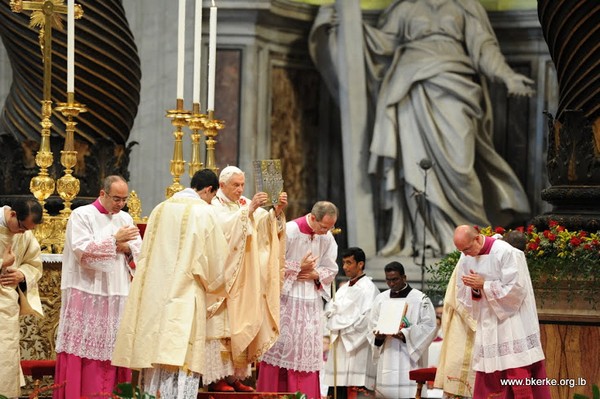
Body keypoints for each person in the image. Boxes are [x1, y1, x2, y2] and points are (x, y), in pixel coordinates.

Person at [310, 0, 534, 256]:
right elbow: (380, 45)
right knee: (416, 170)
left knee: (461, 168)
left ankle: (469, 240)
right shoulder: (405, 8)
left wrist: (508, 76)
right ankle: (426, 239)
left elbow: (484, 48)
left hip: (454, 86)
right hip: (410, 89)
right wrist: (344, 28)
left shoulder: (465, 6)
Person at [112, 169, 229, 398]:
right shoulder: (204, 212)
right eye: (212, 196)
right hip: (185, 296)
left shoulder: (160, 208)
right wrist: (218, 287)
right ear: (208, 190)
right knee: (179, 357)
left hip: (153, 296)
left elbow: (144, 254)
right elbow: (216, 262)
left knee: (155, 357)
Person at [54, 175, 142, 399]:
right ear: (102, 194)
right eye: (116, 199)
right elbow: (82, 252)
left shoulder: (125, 218)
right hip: (87, 289)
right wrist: (115, 241)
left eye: (123, 199)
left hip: (118, 289)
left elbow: (138, 252)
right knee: (85, 348)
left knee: (113, 347)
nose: (120, 204)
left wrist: (127, 248)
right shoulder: (81, 215)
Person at [205, 165, 287, 392]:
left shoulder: (244, 203)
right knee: (221, 328)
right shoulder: (213, 205)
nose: (240, 189)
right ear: (221, 186)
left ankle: (232, 376)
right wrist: (248, 210)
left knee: (238, 326)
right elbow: (222, 230)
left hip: (244, 278)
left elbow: (264, 227)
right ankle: (216, 377)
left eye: (242, 185)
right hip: (223, 277)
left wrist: (276, 212)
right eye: (235, 185)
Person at [453, 225, 551, 399]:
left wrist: (484, 284)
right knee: (489, 370)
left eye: (467, 249)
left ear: (477, 238)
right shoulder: (465, 257)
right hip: (487, 321)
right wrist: (474, 288)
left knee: (516, 366)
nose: (466, 254)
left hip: (512, 321)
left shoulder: (507, 252)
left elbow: (516, 290)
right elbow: (462, 289)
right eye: (462, 251)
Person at [257, 201, 340, 399]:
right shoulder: (290, 231)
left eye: (329, 227)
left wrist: (315, 275)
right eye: (323, 226)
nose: (326, 231)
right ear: (312, 218)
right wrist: (297, 267)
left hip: (310, 302)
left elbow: (331, 268)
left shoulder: (326, 237)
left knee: (306, 353)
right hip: (287, 300)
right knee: (282, 349)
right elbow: (269, 264)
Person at [368, 261, 437, 399]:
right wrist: (378, 338)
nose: (391, 284)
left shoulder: (420, 299)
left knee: (409, 392)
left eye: (395, 279)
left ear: (404, 278)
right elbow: (372, 325)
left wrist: (405, 334)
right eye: (388, 280)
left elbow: (430, 326)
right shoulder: (380, 299)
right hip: (387, 355)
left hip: (409, 358)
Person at [323, 247, 380, 399]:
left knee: (355, 389)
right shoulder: (343, 289)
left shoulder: (369, 289)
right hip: (340, 344)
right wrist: (332, 314)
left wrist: (343, 329)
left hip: (356, 346)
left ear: (360, 264)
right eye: (344, 263)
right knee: (337, 389)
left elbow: (367, 320)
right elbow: (330, 308)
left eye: (349, 263)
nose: (345, 267)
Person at [0, 199, 43, 398]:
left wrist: (22, 274)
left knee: (5, 355)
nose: (23, 233)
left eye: (28, 230)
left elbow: (34, 263)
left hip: (6, 305)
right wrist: (3, 262)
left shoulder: (24, 234)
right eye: (22, 227)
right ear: (13, 214)